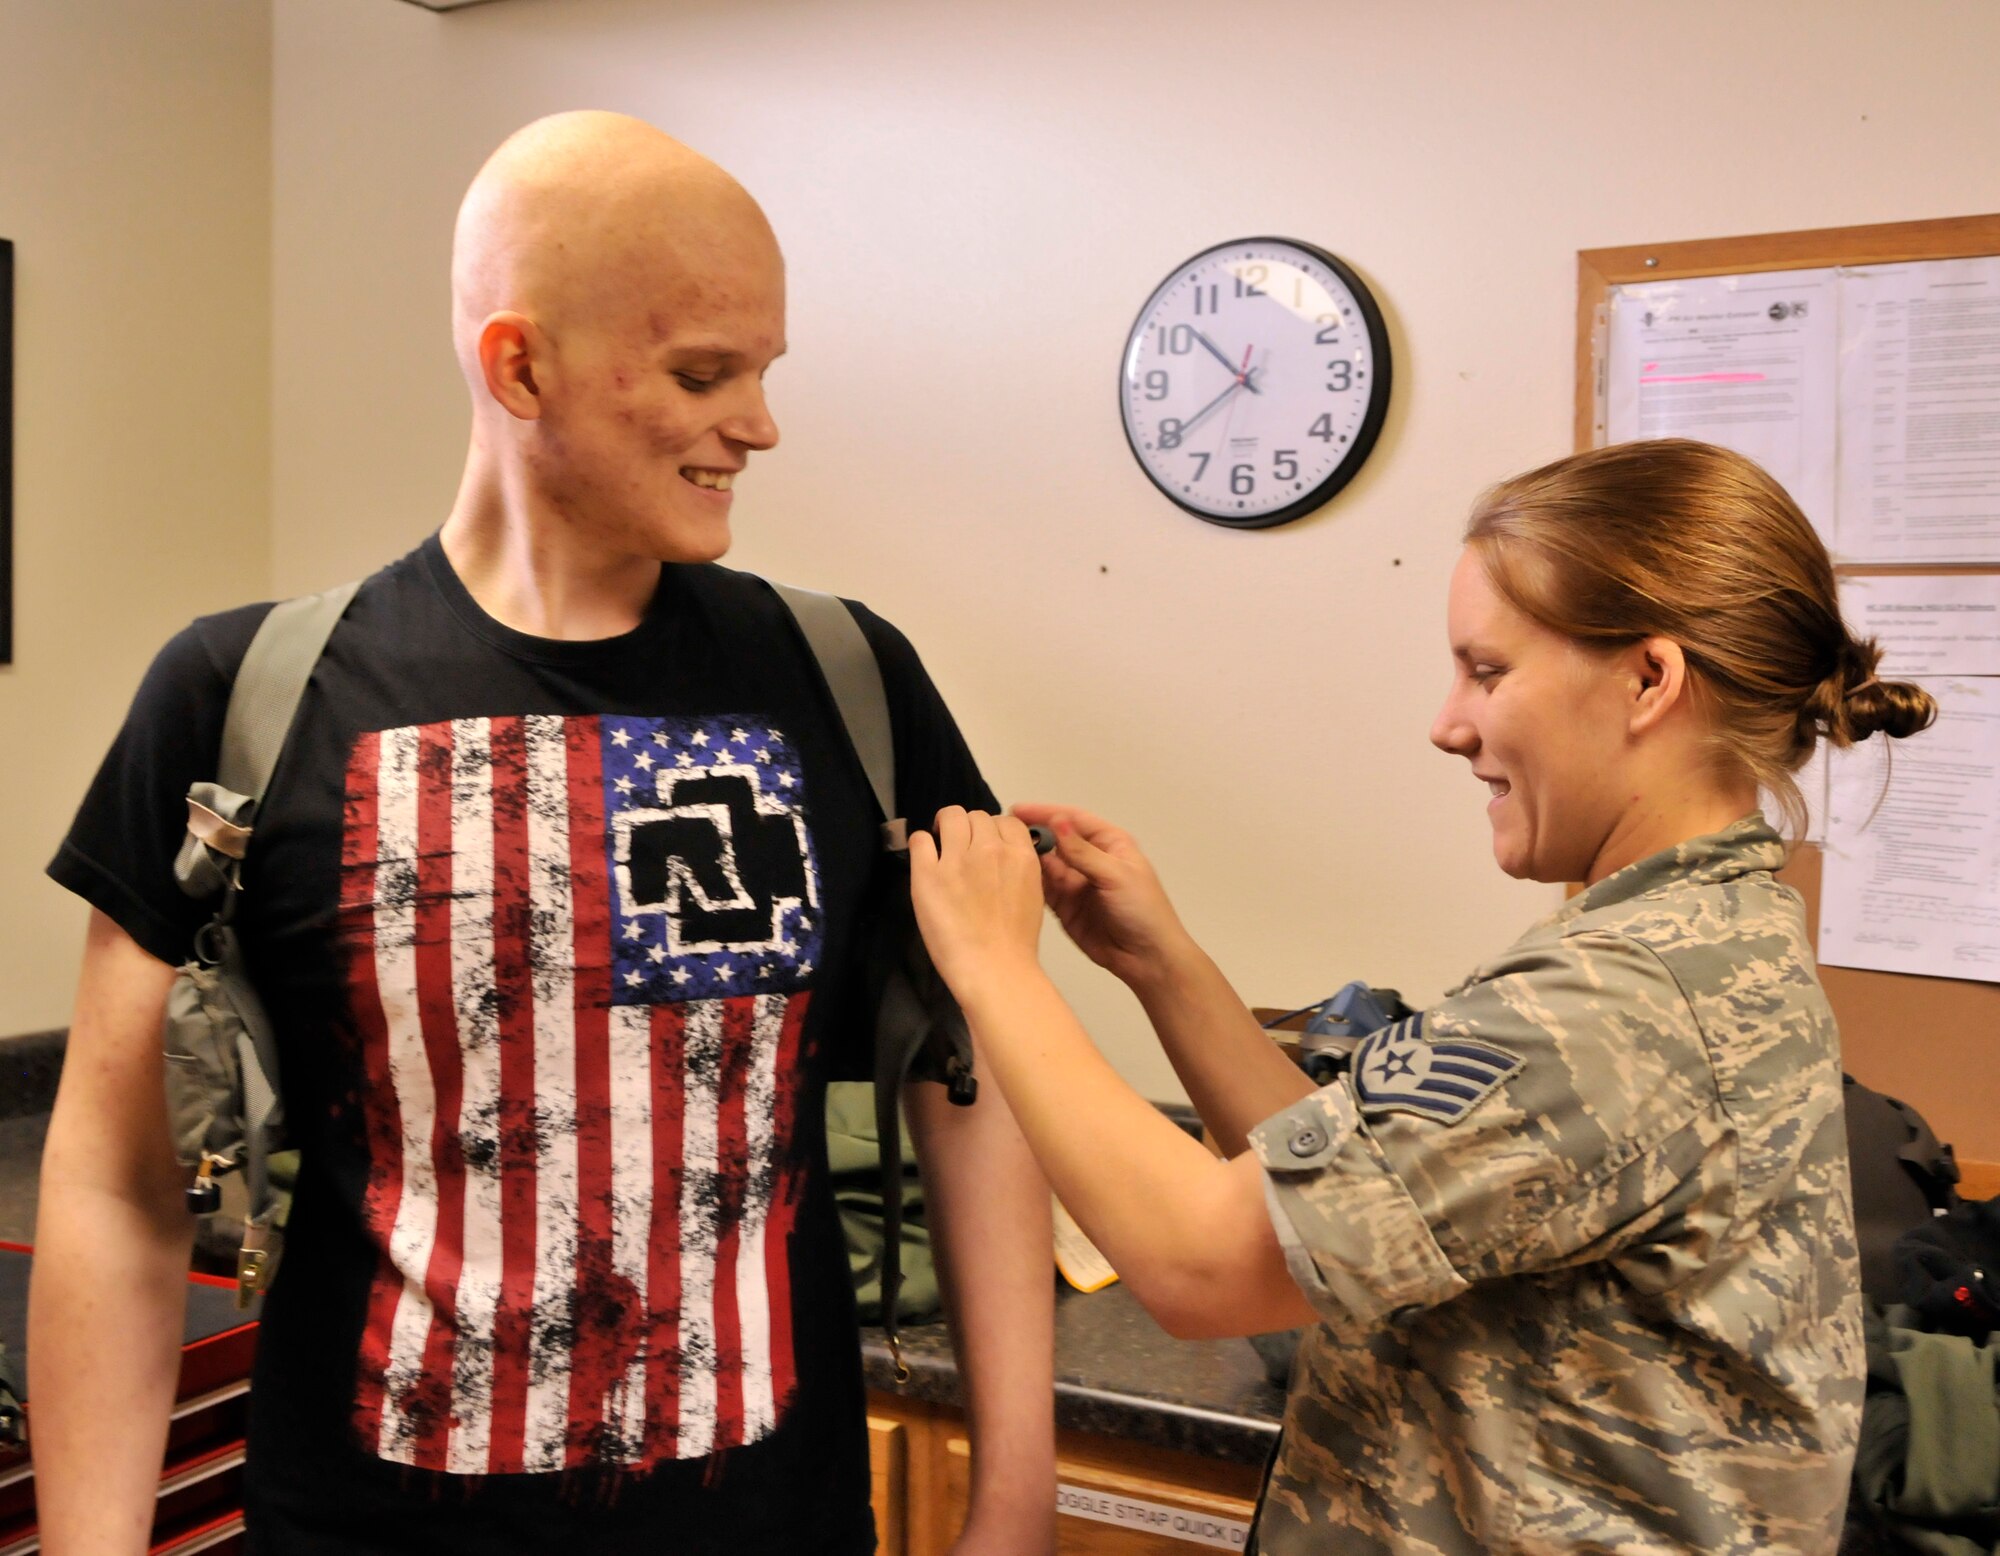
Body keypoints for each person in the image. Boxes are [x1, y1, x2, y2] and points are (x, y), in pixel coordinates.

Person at [31, 112, 1055, 1555]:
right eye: (706, 373)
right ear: (520, 364)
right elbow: (116, 1180)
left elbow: (977, 1089)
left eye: (763, 371)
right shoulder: (240, 701)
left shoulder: (847, 684)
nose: (759, 424)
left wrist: (1014, 1500)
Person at [908, 437, 1936, 1555]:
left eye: (1487, 672)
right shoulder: (1703, 937)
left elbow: (1200, 1263)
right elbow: (1342, 1190)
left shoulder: (1615, 1000)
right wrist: (1162, 966)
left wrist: (992, 964)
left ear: (1648, 678)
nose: (1448, 723)